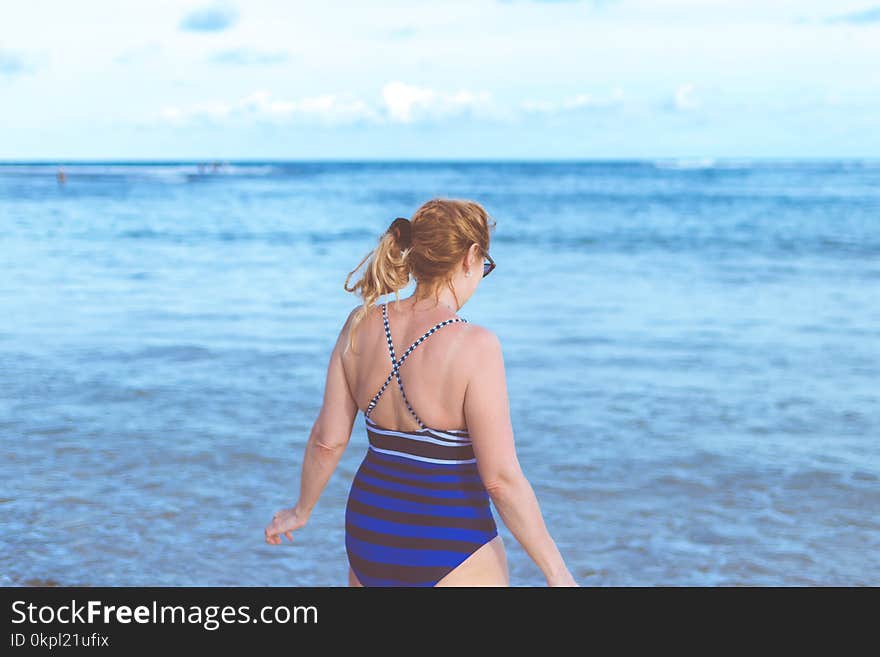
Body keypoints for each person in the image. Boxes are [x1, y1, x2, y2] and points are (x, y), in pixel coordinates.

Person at [265, 198, 577, 587]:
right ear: (471, 256)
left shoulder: (359, 325)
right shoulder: (475, 345)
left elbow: (327, 441)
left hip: (370, 534)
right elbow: (500, 478)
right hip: (451, 541)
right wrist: (557, 572)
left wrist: (301, 509)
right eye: (486, 265)